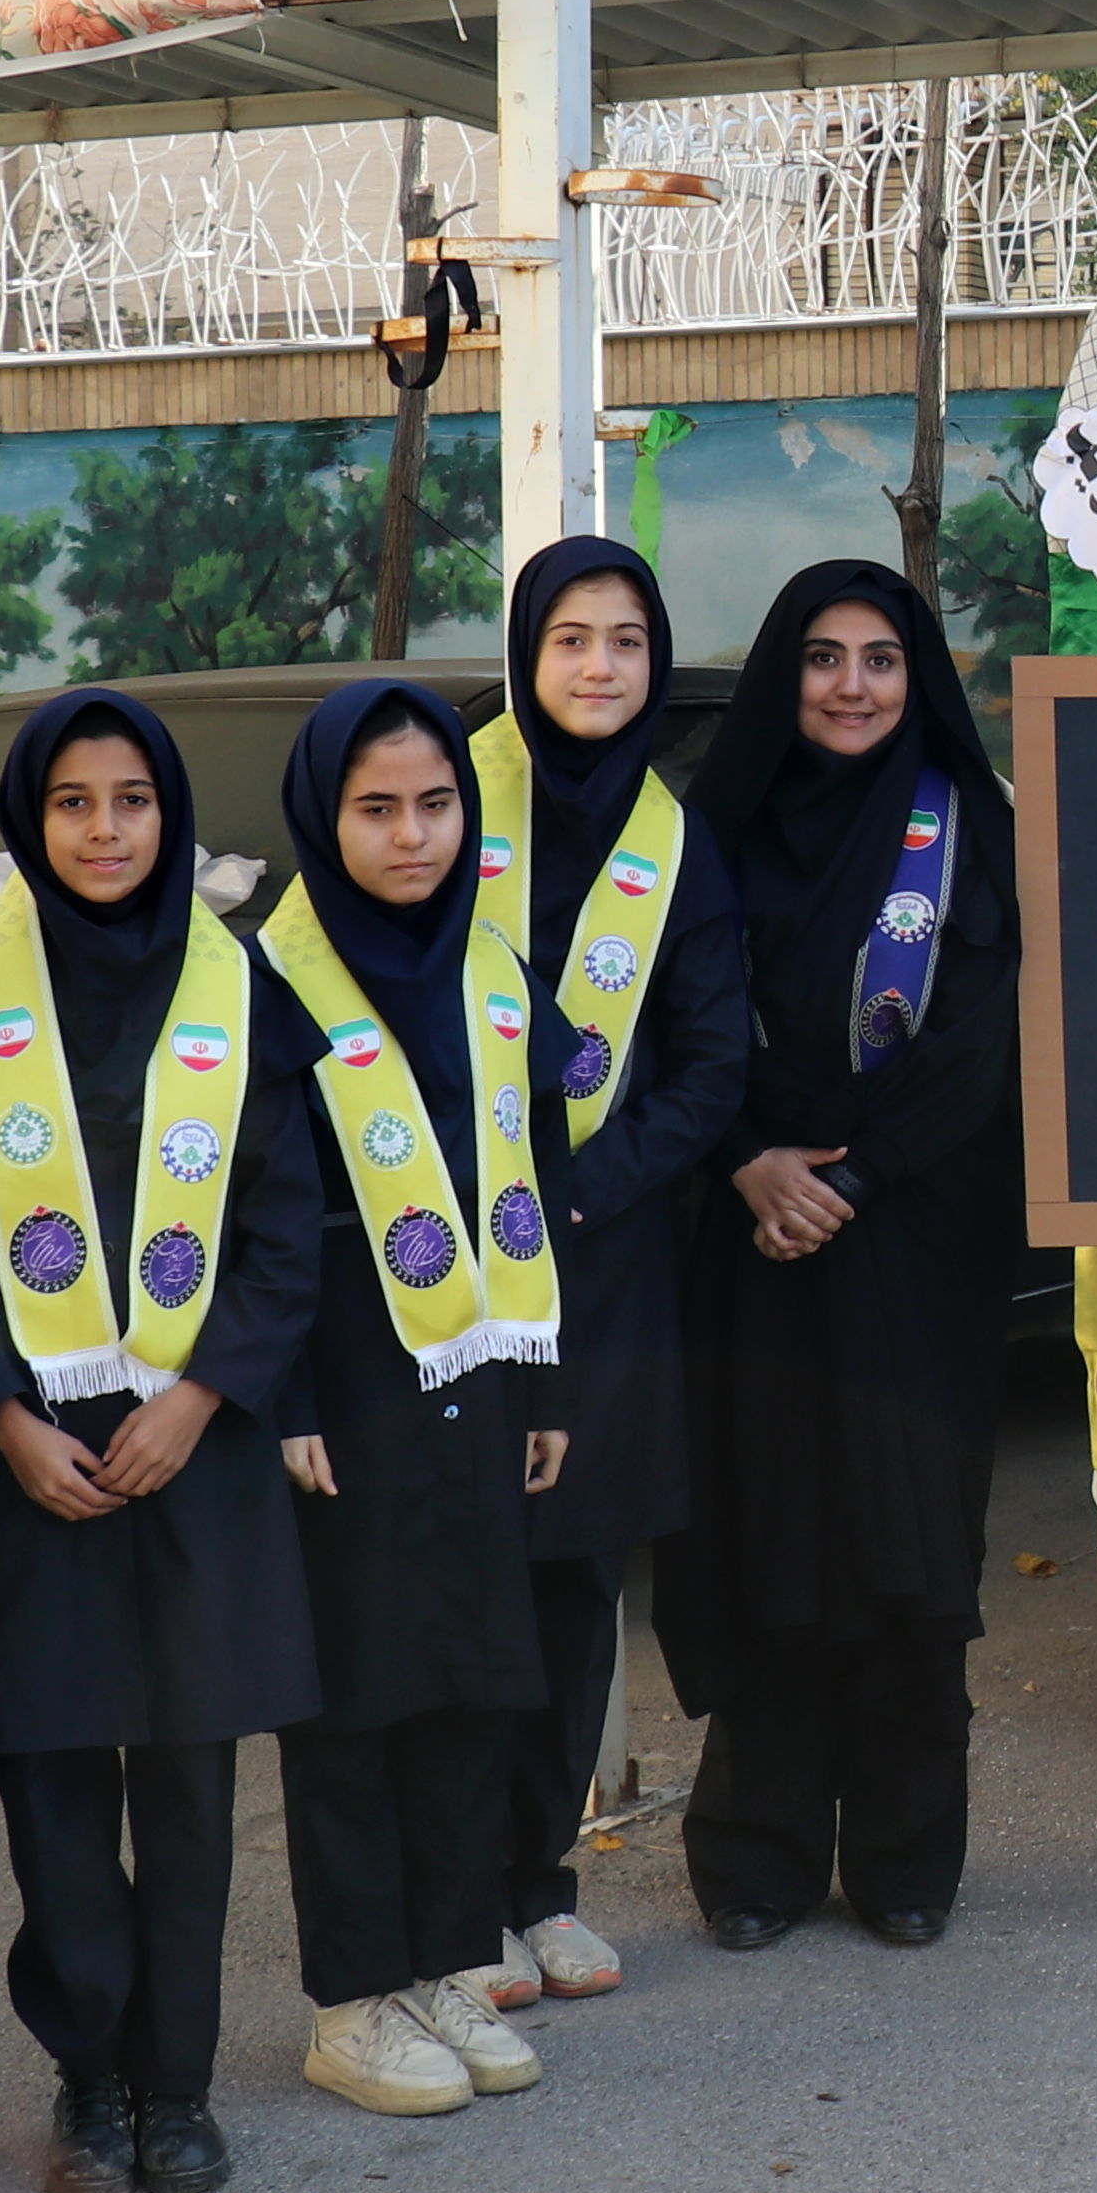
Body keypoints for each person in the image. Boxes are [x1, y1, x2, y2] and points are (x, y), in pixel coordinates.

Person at [0, 688, 325, 2193]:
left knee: (191, 1788)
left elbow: (287, 1230)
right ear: (29, 819)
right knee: (58, 1783)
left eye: (131, 800)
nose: (103, 829)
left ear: (171, 814)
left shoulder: (240, 987)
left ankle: (182, 2089)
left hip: (186, 1451)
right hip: (33, 1469)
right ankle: (88, 2077)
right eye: (73, 803)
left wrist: (203, 1397)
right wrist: (1, 1419)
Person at [667, 560, 1024, 1952]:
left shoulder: (964, 831)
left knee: (907, 1541)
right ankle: (755, 1859)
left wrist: (856, 1178)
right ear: (783, 675)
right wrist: (750, 1162)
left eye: (882, 659)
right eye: (823, 658)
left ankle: (905, 1856)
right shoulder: (717, 834)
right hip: (751, 1235)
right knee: (765, 1537)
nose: (854, 686)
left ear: (916, 675)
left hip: (917, 1241)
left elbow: (976, 1040)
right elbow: (678, 1027)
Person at [260, 679, 572, 2117]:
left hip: (479, 1372)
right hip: (346, 1385)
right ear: (324, 817)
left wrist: (544, 1372)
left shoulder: (492, 963)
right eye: (375, 808)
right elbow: (257, 1213)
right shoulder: (267, 987)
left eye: (437, 803)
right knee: (358, 1697)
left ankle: (449, 1961)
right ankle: (352, 1998)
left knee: (471, 1676)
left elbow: (534, 1174)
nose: (411, 835)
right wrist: (286, 1399)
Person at [460, 539, 748, 2009]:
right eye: (569, 638)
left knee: (574, 1585)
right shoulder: (446, 797)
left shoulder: (674, 839)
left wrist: (582, 1191)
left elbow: (708, 1066)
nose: (596, 668)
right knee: (465, 1580)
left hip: (602, 1264)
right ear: (526, 650)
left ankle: (539, 1886)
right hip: (438, 1261)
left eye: (626, 642)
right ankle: (456, 1899)